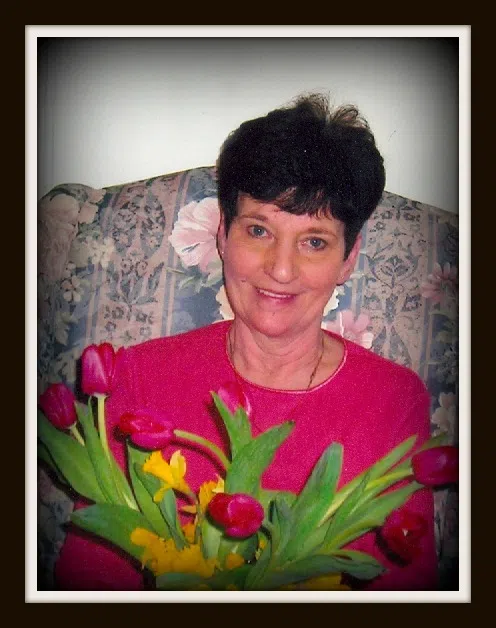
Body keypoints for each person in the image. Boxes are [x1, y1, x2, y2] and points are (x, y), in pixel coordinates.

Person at [54, 93, 438, 591]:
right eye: (258, 230)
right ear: (222, 236)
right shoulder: (137, 377)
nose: (281, 269)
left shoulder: (393, 400)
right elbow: (89, 584)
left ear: (348, 258)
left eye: (314, 241)